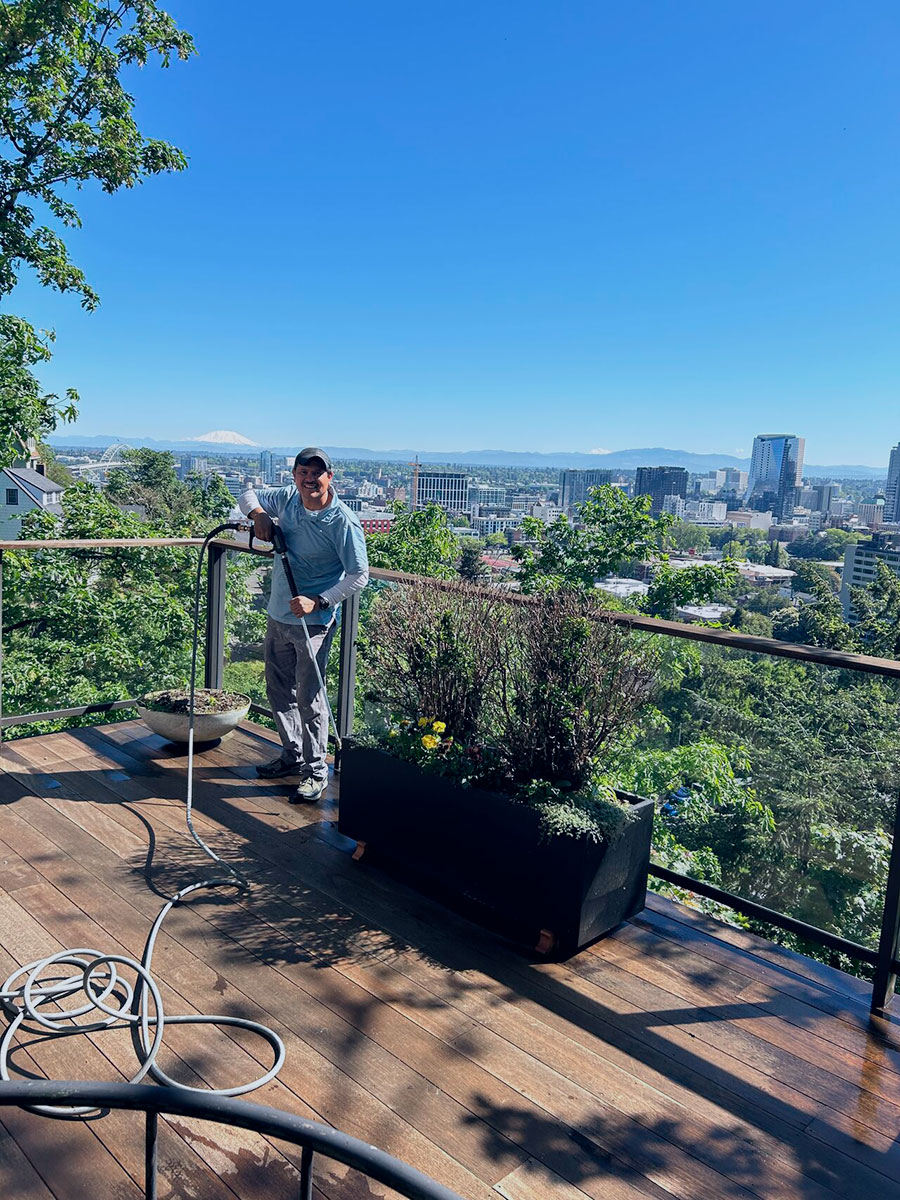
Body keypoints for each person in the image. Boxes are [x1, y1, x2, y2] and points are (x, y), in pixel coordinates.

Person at [239, 448, 369, 801]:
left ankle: (316, 771)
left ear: (330, 477)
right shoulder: (288, 498)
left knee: (310, 699)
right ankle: (292, 755)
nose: (310, 479)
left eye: (317, 473)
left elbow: (359, 575)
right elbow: (247, 494)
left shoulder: (342, 521)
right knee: (278, 690)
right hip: (278, 614)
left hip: (314, 623)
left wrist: (320, 600)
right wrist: (259, 514)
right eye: (303, 472)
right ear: (295, 475)